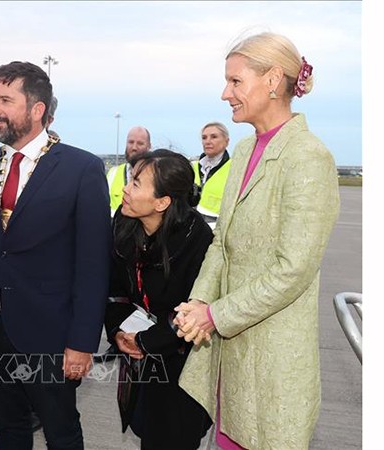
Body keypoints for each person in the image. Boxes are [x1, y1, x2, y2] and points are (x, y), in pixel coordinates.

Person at [173, 32, 340, 450]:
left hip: (272, 359)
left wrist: (215, 315)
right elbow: (220, 243)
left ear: (272, 79)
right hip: (231, 355)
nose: (225, 93)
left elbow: (293, 270)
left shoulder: (308, 157)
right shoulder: (247, 150)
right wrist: (198, 304)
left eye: (235, 81)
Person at [0, 61, 111, 450]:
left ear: (37, 109)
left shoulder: (82, 168)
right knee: (8, 428)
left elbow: (94, 264)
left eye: (5, 100)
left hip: (51, 331)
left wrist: (83, 341)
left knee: (61, 430)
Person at [105, 149, 213, 450]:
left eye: (137, 184)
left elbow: (193, 310)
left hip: (182, 362)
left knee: (173, 435)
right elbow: (114, 286)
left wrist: (145, 342)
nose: (126, 189)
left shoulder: (197, 239)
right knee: (146, 430)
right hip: (140, 349)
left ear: (162, 202)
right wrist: (118, 332)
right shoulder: (124, 222)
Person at [191, 122, 231, 223]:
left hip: (218, 226)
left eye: (214, 137)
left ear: (226, 141)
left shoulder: (234, 168)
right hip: (193, 225)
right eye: (204, 138)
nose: (207, 141)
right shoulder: (193, 166)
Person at [107, 126, 151, 216]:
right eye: (131, 142)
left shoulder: (155, 176)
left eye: (140, 143)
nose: (134, 147)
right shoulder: (112, 173)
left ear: (149, 146)